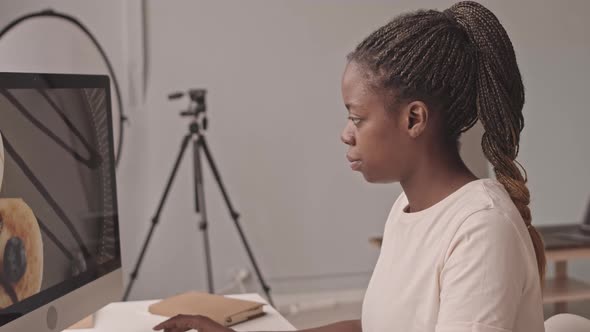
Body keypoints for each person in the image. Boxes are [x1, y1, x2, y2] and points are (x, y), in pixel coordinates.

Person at [153, 1, 545, 331]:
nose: (346, 134)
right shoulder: (409, 210)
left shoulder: (481, 229)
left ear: (414, 120)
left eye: (357, 118)